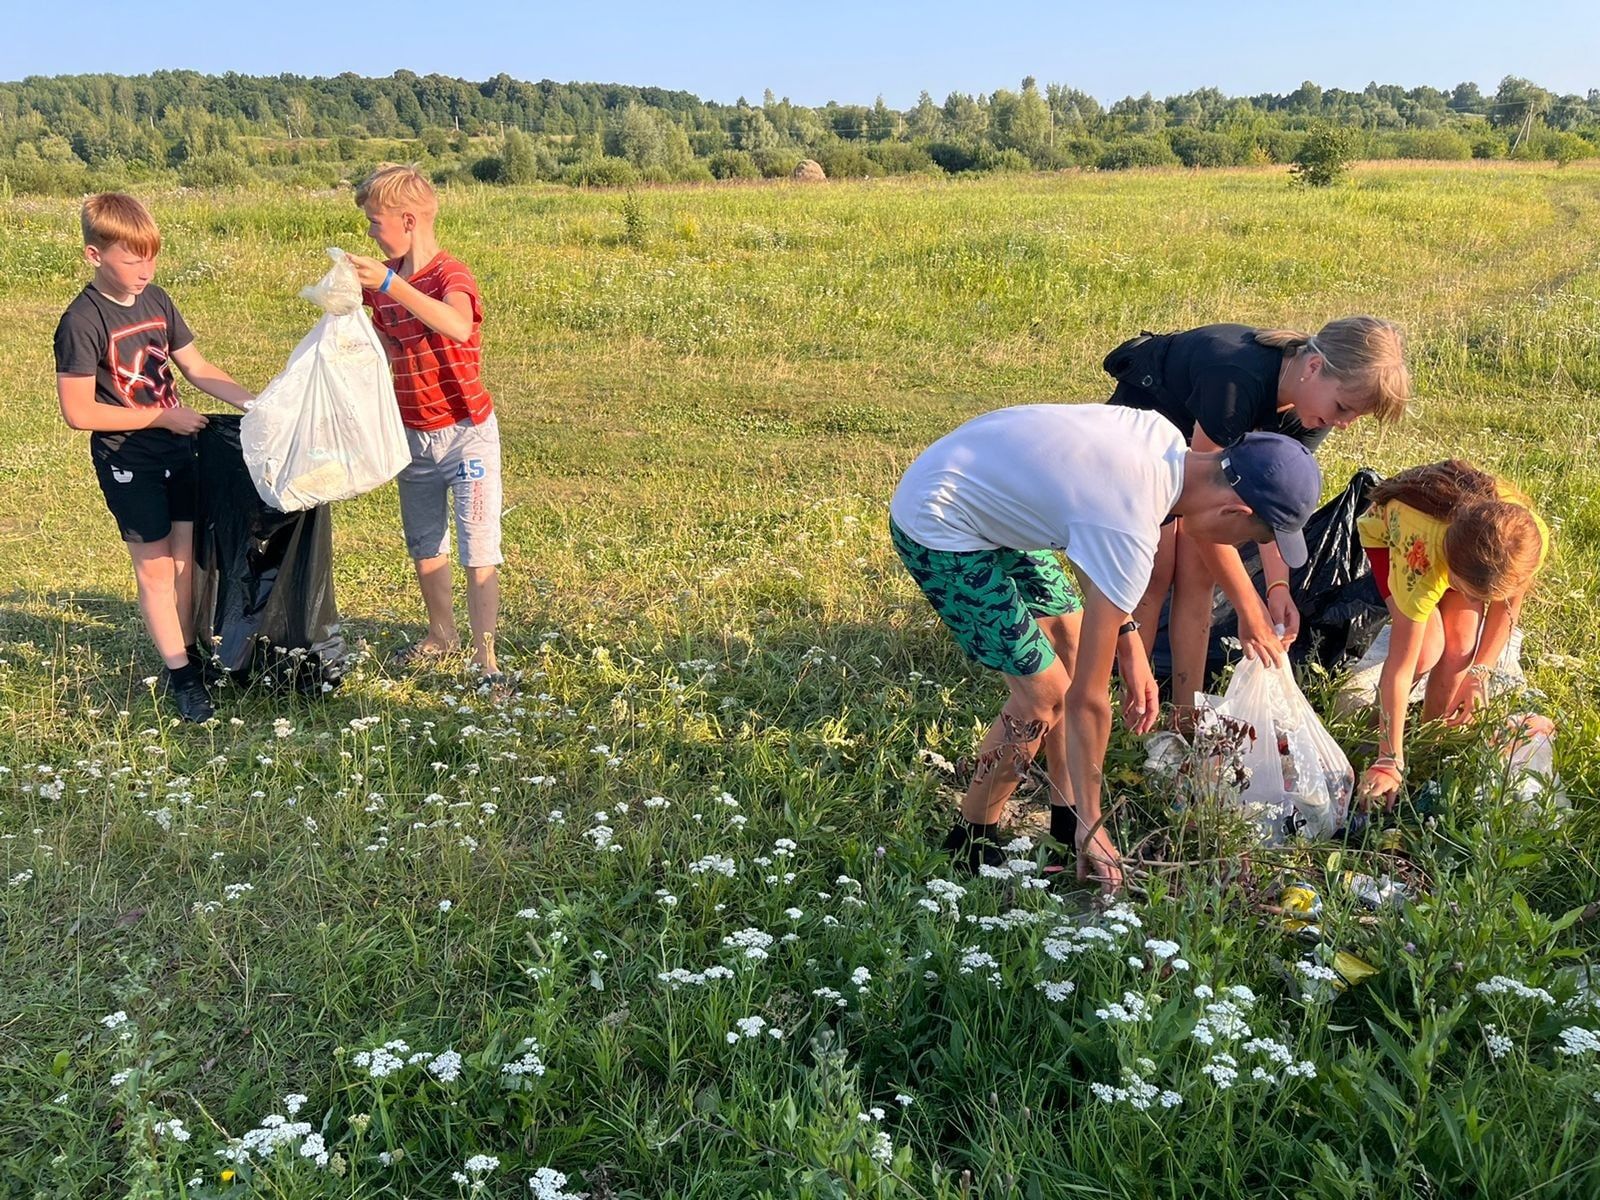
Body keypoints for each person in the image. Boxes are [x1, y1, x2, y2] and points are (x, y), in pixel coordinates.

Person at [891, 403, 1322, 890]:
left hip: (986, 494)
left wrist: (1130, 640)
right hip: (939, 521)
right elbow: (1088, 699)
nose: (1238, 550)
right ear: (1233, 511)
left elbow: (1087, 530)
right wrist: (1097, 823)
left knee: (1071, 650)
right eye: (1252, 539)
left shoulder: (1162, 441)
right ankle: (972, 840)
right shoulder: (1132, 527)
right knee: (1047, 694)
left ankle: (1064, 819)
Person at [1101, 318, 1409, 719]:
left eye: (1355, 416)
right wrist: (1250, 609)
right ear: (1313, 366)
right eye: (1343, 408)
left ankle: (1185, 711)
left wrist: (1277, 588)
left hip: (1205, 462)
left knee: (1199, 574)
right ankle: (1131, 702)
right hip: (1148, 446)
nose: (1344, 423)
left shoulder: (1311, 411)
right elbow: (1204, 508)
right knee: (1155, 572)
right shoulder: (1235, 379)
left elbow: (1273, 502)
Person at [53, 193, 255, 723]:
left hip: (179, 451)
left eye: (151, 257)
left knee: (186, 563)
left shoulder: (158, 300)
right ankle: (182, 679)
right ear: (95, 256)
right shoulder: (80, 321)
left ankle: (191, 655)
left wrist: (259, 405)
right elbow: (78, 411)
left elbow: (196, 366)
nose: (145, 270)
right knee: (156, 571)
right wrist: (161, 418)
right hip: (129, 460)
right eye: (131, 259)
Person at [345, 165, 504, 681]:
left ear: (408, 220)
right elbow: (381, 344)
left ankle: (486, 660)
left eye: (375, 222)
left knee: (478, 546)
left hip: (465, 433)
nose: (370, 232)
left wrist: (392, 282)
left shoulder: (449, 275)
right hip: (410, 434)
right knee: (425, 542)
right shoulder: (381, 284)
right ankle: (442, 634)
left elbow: (457, 324)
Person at [1353, 460, 1549, 806]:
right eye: (1470, 593)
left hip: (1466, 547)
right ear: (1450, 571)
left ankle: (1431, 742)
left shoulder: (1525, 538)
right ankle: (1378, 739)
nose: (1476, 603)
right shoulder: (1422, 554)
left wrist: (1480, 673)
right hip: (1395, 541)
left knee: (1461, 650)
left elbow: (1507, 611)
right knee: (1426, 649)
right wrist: (1389, 760)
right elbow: (1399, 665)